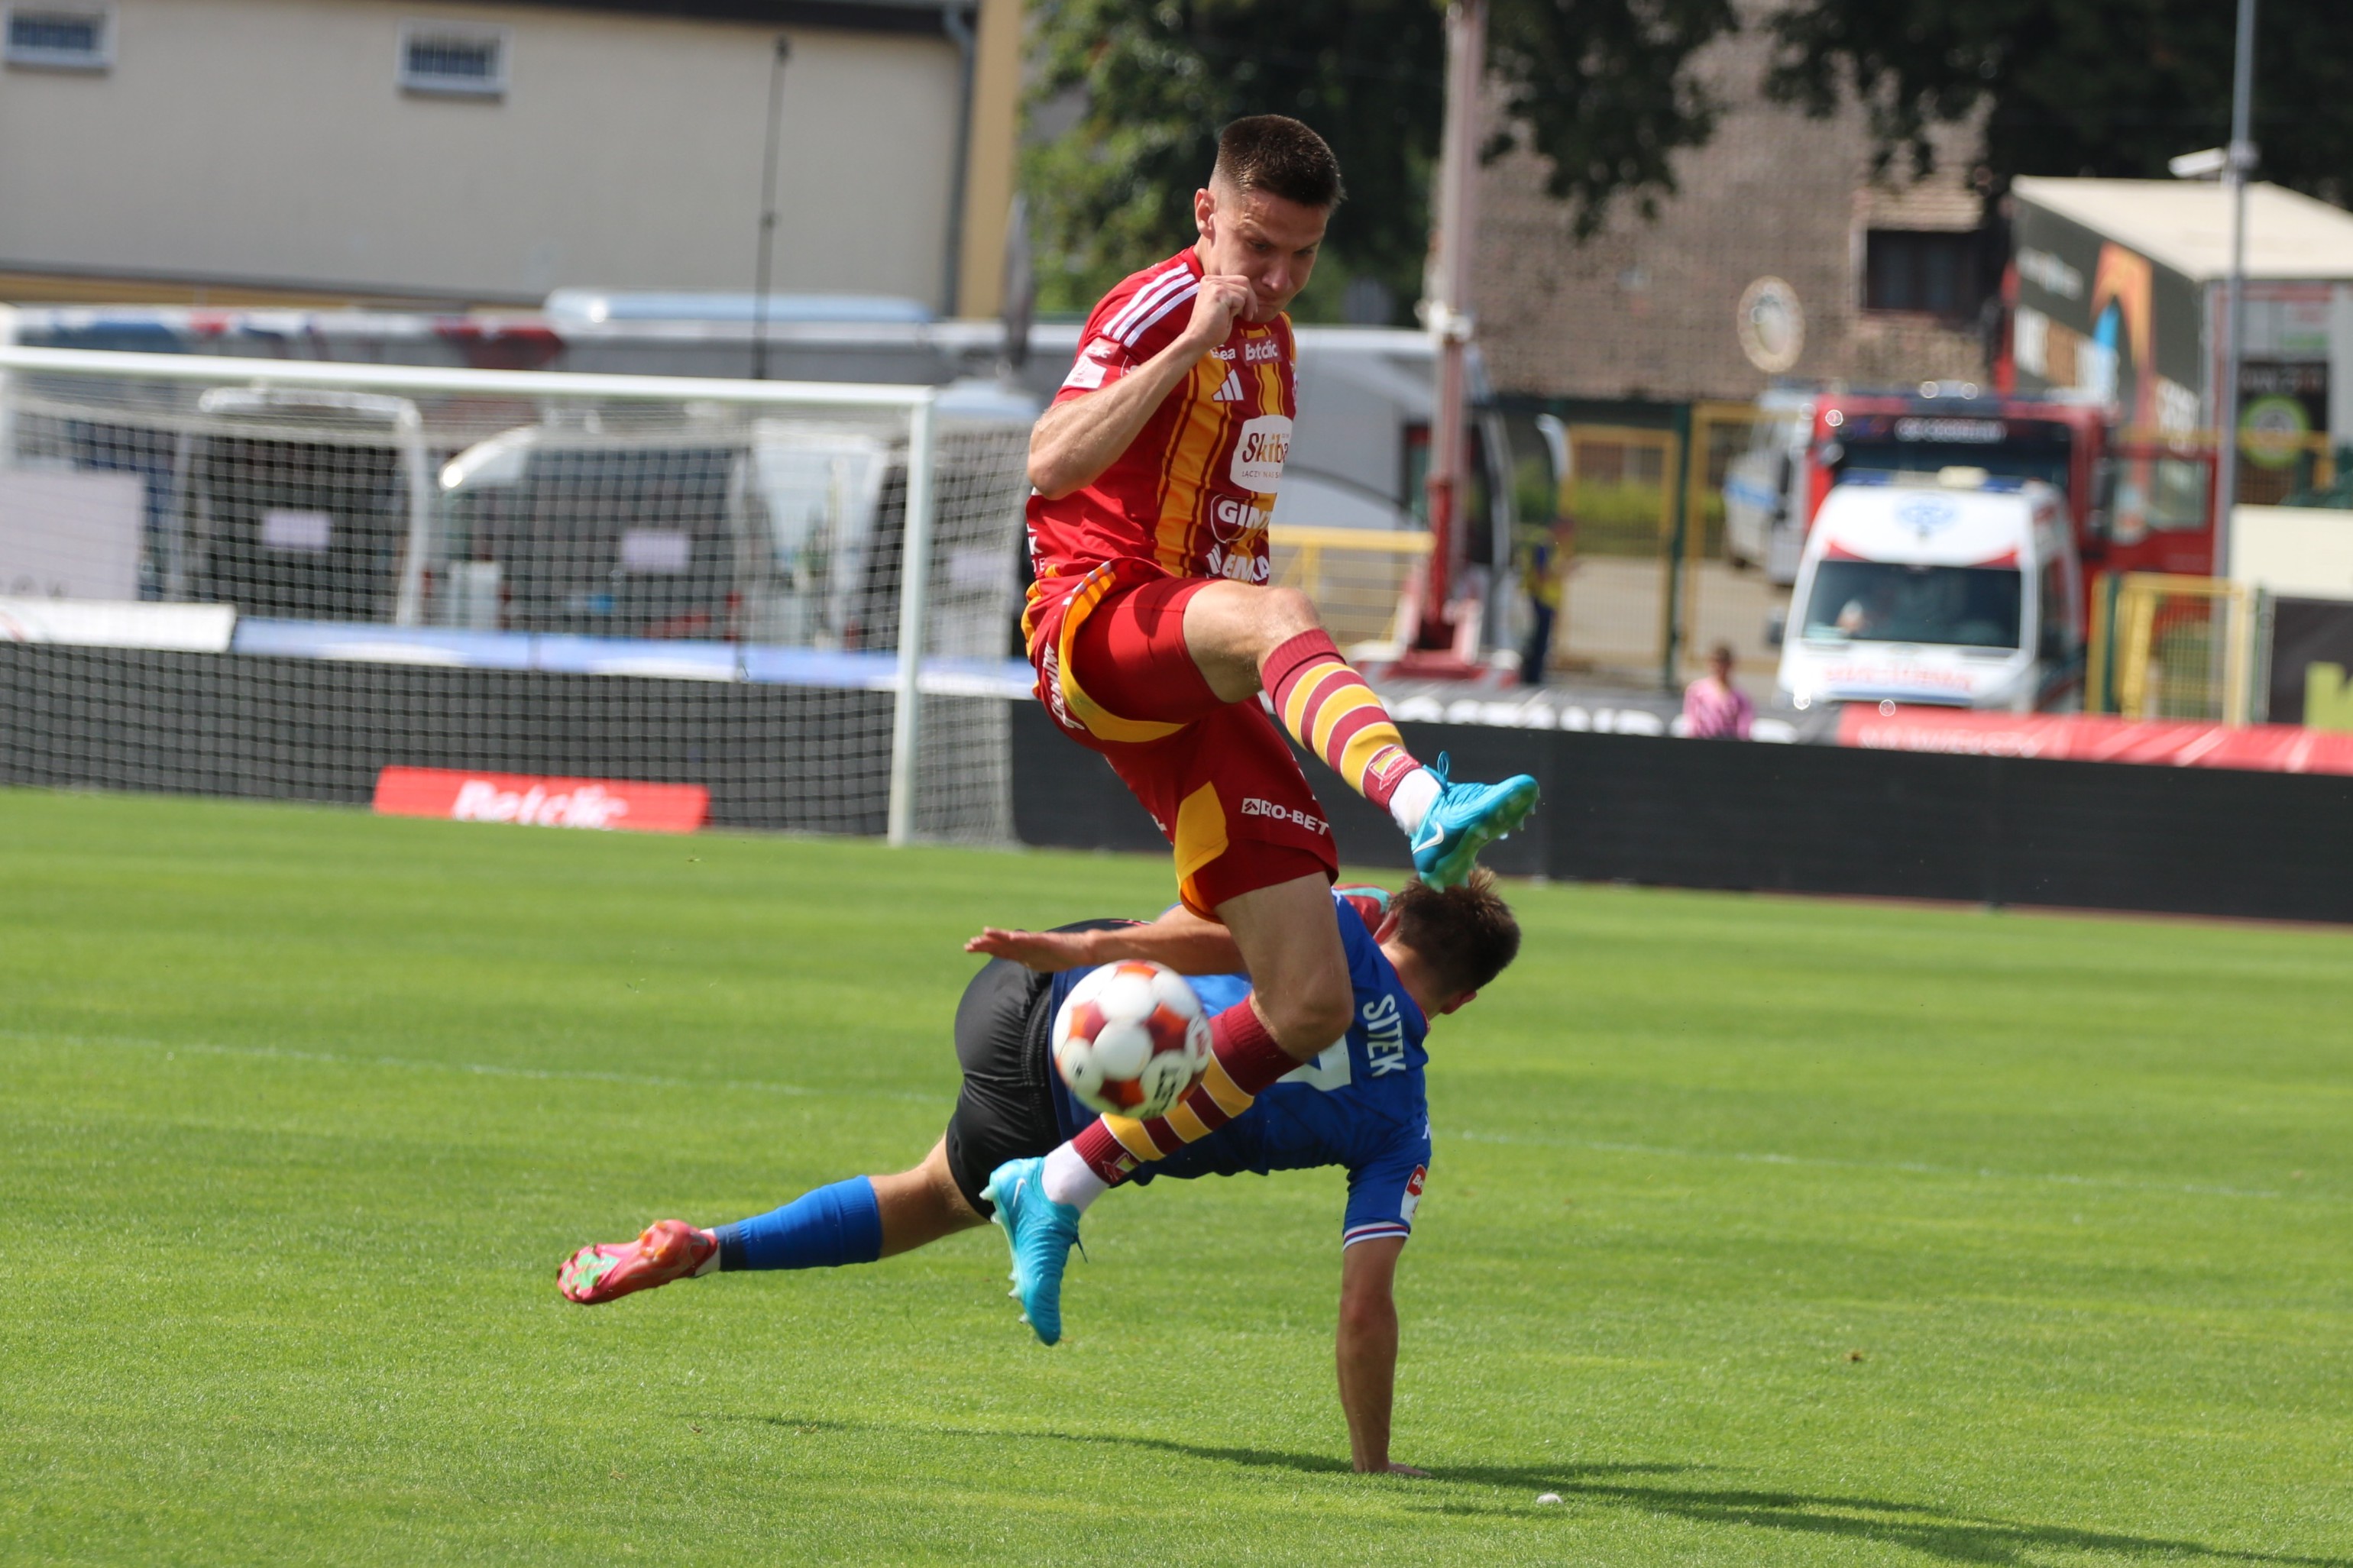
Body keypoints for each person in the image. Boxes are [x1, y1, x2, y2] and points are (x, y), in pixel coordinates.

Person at [1019, 112, 1538, 1259]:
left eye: (1302, 255)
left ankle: (1061, 1181)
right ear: (1205, 215)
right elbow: (1048, 462)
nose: (1277, 277)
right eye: (1257, 247)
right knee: (1280, 614)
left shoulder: (1277, 343)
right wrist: (1186, 341)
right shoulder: (1160, 304)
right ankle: (1421, 802)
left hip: (1194, 667)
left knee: (1309, 1001)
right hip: (1094, 623)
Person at [556, 877, 1522, 1476]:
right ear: (1465, 999)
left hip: (1037, 984)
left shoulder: (1336, 921)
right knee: (933, 1198)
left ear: (1395, 915)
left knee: (934, 1190)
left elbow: (1213, 919)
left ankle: (705, 1247)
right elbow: (1363, 1310)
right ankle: (708, 1248)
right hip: (1059, 1111)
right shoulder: (1400, 1127)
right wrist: (1371, 1462)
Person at [1682, 642, 1753, 739]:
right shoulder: (1697, 691)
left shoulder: (1740, 697)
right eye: (1715, 662)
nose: (1719, 667)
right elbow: (1692, 723)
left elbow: (1744, 729)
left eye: (1723, 663)